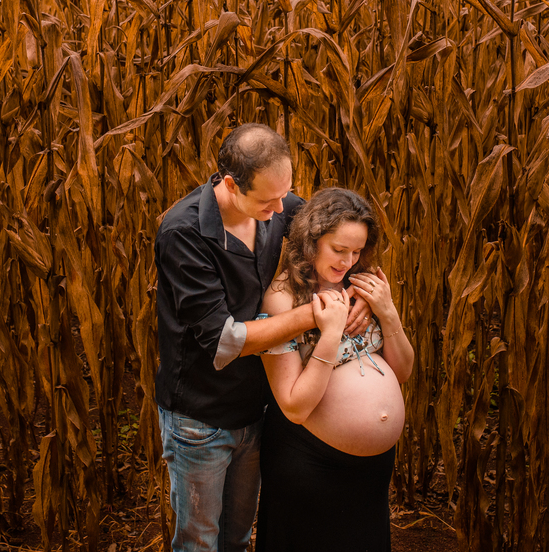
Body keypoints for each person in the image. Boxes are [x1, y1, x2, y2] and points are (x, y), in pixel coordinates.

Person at [154, 124, 372, 552]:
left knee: (237, 539)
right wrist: (318, 314)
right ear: (230, 183)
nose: (282, 209)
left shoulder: (278, 202)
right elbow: (226, 340)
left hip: (255, 409)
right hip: (201, 417)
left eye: (286, 193)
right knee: (199, 543)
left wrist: (361, 289)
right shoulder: (184, 234)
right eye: (268, 200)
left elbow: (336, 240)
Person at [254, 188, 414, 552]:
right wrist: (329, 334)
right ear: (311, 241)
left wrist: (387, 311)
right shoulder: (282, 299)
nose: (348, 261)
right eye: (338, 249)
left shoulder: (362, 283)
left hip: (371, 472)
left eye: (357, 251)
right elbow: (293, 405)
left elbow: (402, 371)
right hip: (311, 464)